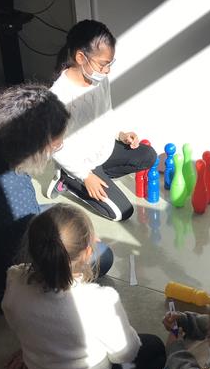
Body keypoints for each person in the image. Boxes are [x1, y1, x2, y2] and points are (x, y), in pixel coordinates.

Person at [0, 84, 114, 313]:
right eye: (56, 143)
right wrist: (82, 245)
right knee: (102, 255)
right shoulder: (14, 188)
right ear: (35, 144)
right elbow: (26, 258)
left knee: (61, 215)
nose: (59, 146)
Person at [2, 204, 165, 369]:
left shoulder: (15, 277)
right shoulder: (98, 300)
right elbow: (125, 353)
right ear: (88, 252)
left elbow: (15, 322)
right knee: (154, 348)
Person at [45, 19, 157, 221]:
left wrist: (121, 135)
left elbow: (106, 114)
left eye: (110, 64)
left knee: (148, 156)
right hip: (79, 161)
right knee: (122, 212)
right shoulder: (58, 97)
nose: (107, 71)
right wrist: (85, 176)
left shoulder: (100, 80)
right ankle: (68, 178)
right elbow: (55, 147)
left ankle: (98, 176)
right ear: (81, 57)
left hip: (102, 150)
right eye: (103, 64)